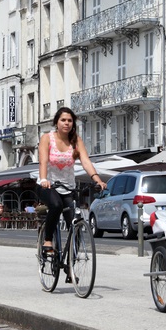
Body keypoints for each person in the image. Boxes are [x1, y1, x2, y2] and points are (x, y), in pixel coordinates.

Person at [38, 106, 106, 252]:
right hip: (48, 185)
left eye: (70, 121)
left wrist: (97, 180)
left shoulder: (76, 141)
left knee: (73, 224)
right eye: (63, 120)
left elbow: (86, 162)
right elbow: (43, 161)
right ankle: (48, 240)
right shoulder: (47, 138)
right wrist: (44, 179)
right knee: (56, 206)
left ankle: (71, 266)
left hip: (68, 187)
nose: (67, 123)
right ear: (57, 122)